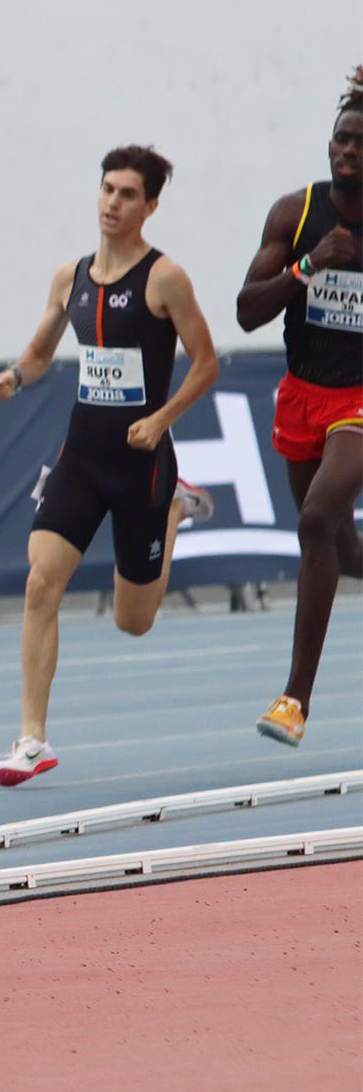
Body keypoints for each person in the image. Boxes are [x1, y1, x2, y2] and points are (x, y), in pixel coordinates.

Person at [0, 145, 217, 785]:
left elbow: (206, 363)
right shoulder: (72, 276)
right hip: (82, 455)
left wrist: (162, 419)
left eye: (128, 195)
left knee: (132, 622)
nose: (113, 203)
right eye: (107, 190)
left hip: (141, 464)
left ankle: (173, 508)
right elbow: (38, 354)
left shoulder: (166, 278)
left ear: (150, 206)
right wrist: (13, 376)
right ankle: (32, 739)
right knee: (40, 583)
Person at [237, 68, 363, 747]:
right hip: (303, 395)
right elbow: (246, 310)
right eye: (341, 138)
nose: (347, 150)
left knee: (317, 517)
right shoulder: (296, 212)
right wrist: (306, 267)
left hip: (361, 401)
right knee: (338, 547)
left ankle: (294, 701)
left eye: (360, 142)